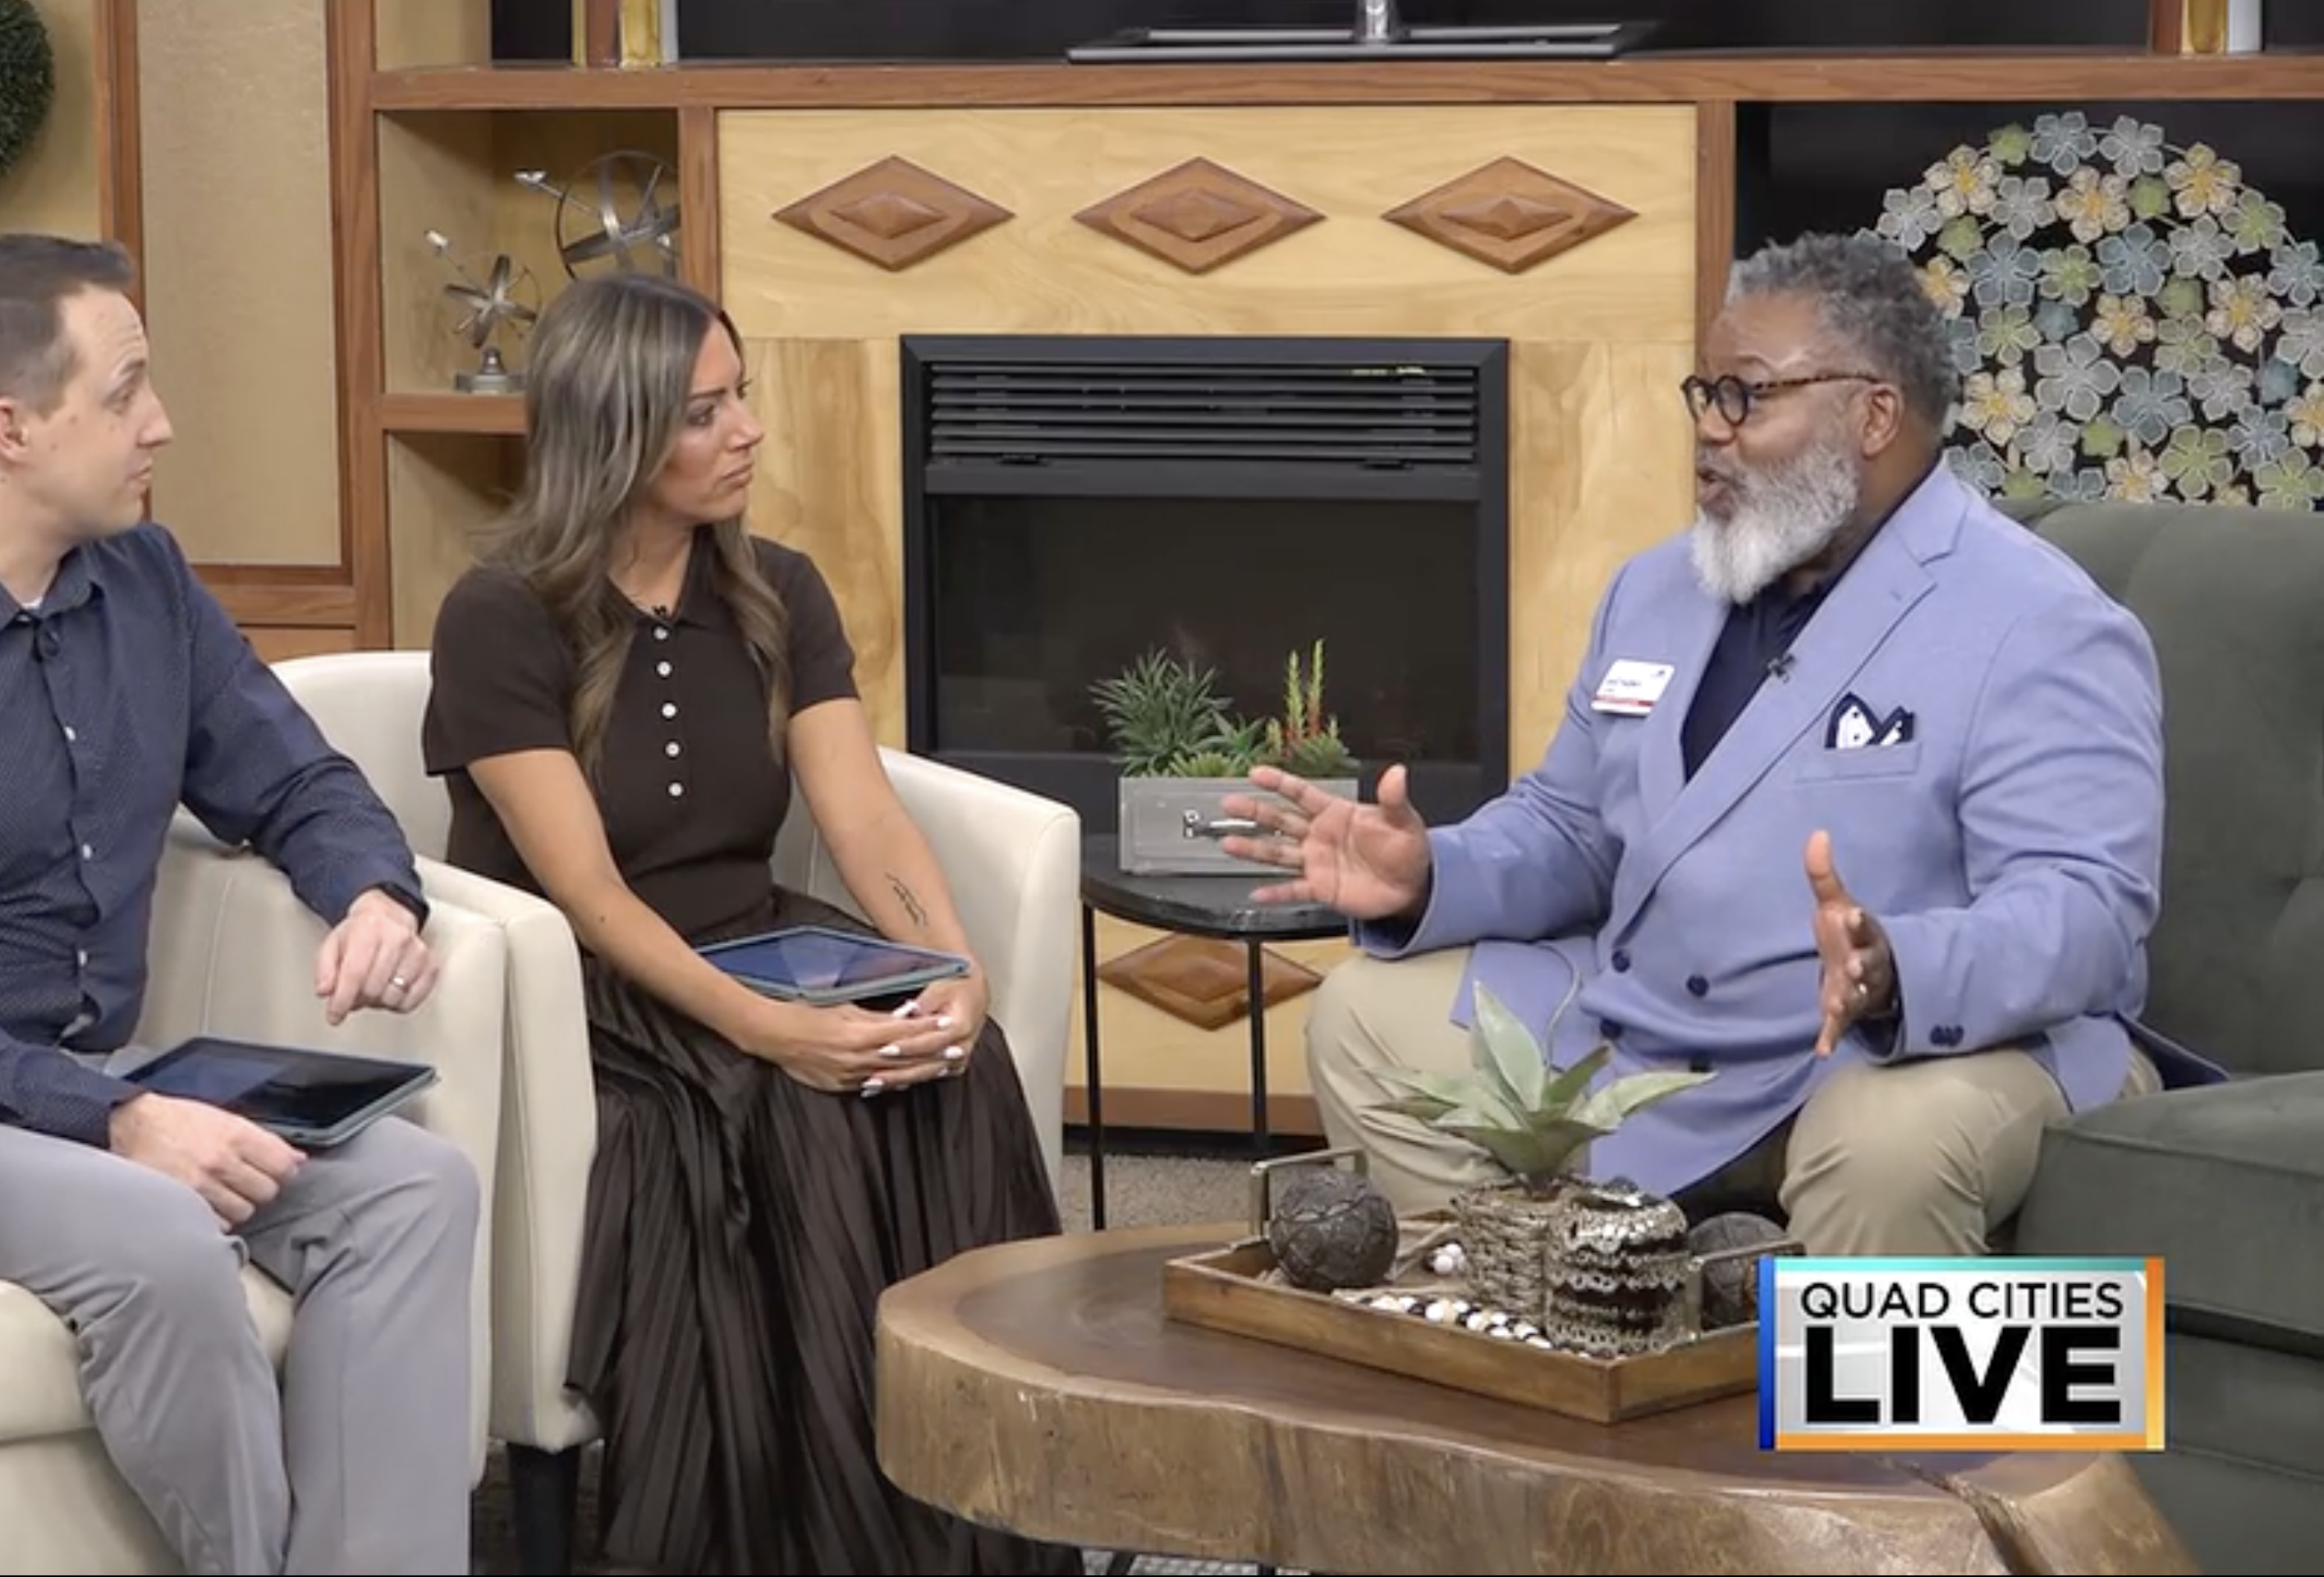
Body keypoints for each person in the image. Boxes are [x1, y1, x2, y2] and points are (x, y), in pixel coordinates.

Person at [0, 234, 483, 1576]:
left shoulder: (145, 583)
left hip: (93, 1076)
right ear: (9, 428)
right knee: (160, 1236)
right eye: (125, 391)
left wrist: (370, 887)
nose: (161, 423)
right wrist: (116, 1118)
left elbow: (291, 773)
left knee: (413, 1189)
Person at [1229, 230, 2215, 1266]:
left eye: (1746, 398)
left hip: (1908, 1048)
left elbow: (2087, 910)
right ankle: (1548, 1345)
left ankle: (1897, 1433)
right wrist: (1437, 872)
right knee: (1367, 1015)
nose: (1708, 431)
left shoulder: (2039, 619)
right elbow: (1574, 827)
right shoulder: (1654, 588)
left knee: (1883, 1143)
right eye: (1702, 394)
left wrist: (1904, 967)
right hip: (1658, 1029)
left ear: (1873, 413)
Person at [419, 272, 1076, 1576]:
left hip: (762, 933)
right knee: (786, 1105)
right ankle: (820, 1536)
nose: (747, 432)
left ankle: (976, 1519)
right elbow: (594, 900)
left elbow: (865, 818)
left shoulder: (776, 590)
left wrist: (951, 968)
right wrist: (774, 1031)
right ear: (616, 434)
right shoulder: (503, 617)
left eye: (742, 397)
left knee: (953, 1066)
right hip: (596, 992)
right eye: (704, 412)